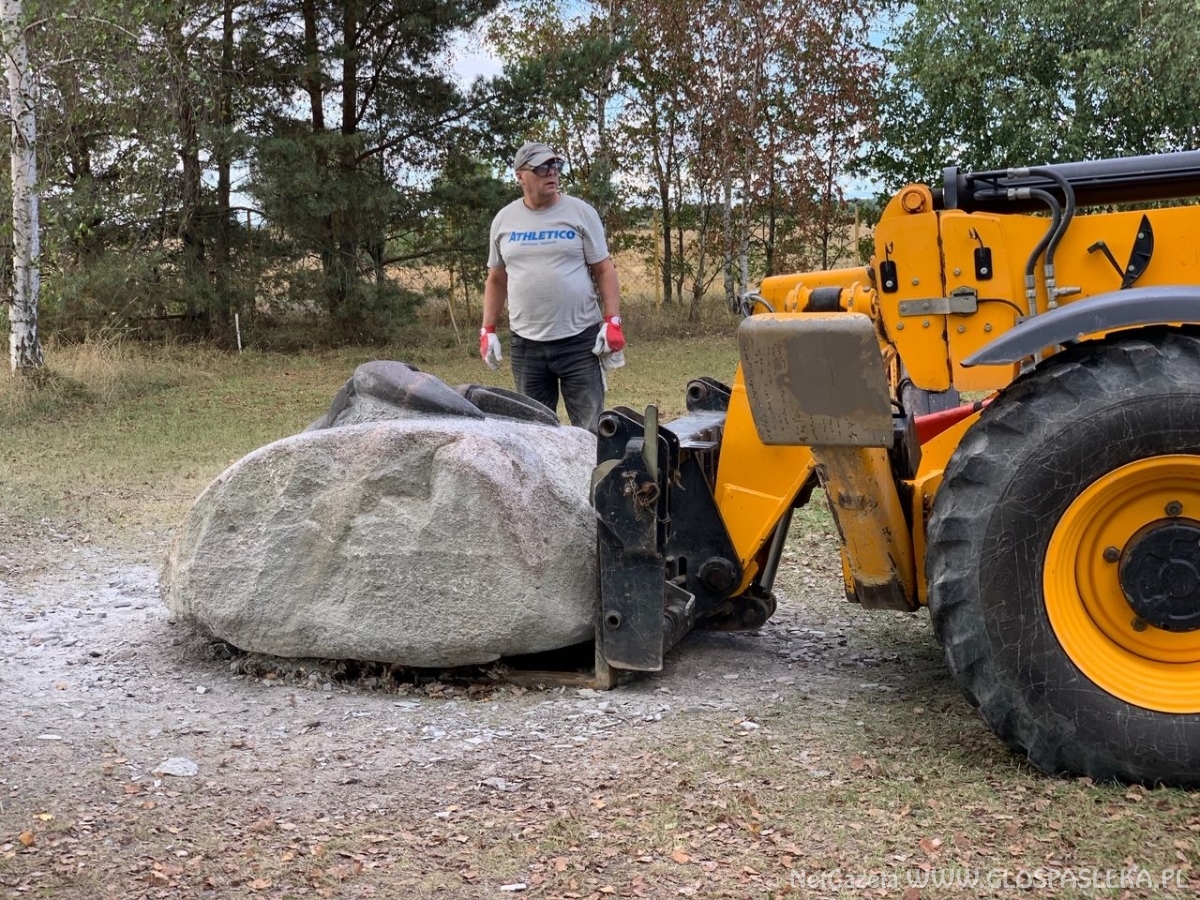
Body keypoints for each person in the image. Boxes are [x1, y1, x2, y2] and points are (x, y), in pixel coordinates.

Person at [480, 140, 624, 433]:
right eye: (542, 167)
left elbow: (604, 269)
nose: (552, 173)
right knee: (534, 433)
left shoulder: (581, 213)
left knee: (590, 431)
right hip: (526, 346)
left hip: (579, 341)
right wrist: (488, 330)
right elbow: (496, 278)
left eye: (556, 165)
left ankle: (589, 467)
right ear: (521, 175)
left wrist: (612, 321)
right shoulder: (504, 220)